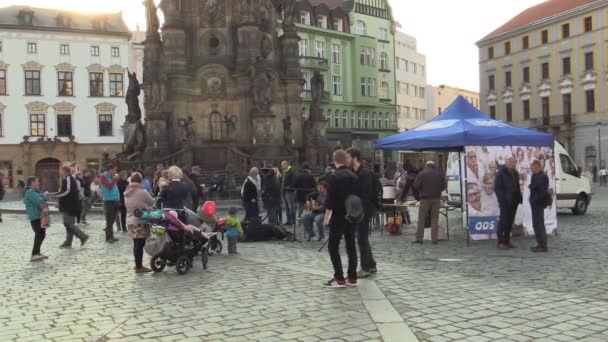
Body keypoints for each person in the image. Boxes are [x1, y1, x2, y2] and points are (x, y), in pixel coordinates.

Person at [323, 150, 359, 288]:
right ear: (345, 160)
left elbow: (330, 200)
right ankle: (352, 277)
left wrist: (326, 215)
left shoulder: (333, 177)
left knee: (333, 246)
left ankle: (339, 278)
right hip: (352, 214)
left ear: (334, 160)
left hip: (338, 216)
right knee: (351, 246)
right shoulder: (354, 176)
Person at [346, 147, 378, 278]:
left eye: (347, 157)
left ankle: (365, 268)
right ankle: (371, 264)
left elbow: (366, 195)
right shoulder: (354, 172)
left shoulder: (364, 173)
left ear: (354, 158)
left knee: (361, 239)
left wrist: (359, 212)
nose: (346, 160)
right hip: (359, 209)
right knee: (362, 238)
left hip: (364, 210)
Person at [124, 172, 156, 272]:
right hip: (140, 219)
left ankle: (137, 264)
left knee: (136, 243)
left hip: (130, 219)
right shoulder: (142, 192)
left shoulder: (127, 192)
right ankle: (139, 267)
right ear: (140, 181)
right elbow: (152, 202)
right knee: (140, 244)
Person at [412, 161, 447, 244]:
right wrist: (438, 191)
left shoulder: (421, 174)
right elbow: (444, 186)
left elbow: (415, 186)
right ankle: (434, 239)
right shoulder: (439, 174)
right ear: (434, 166)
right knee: (435, 219)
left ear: (426, 165)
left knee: (421, 219)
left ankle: (419, 238)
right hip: (436, 199)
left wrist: (421, 191)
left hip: (424, 199)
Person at [55, 166, 89, 248]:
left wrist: (58, 195)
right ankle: (68, 241)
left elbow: (68, 190)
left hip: (70, 205)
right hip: (69, 204)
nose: (60, 172)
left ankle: (82, 236)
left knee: (67, 222)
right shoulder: (66, 179)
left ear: (64, 171)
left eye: (61, 171)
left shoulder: (68, 178)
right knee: (69, 223)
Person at [494, 157, 523, 250]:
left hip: (514, 201)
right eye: (510, 162)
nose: (513, 164)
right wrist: (502, 200)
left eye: (514, 162)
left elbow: (517, 187)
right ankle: (500, 242)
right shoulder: (500, 174)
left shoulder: (515, 173)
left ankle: (507, 240)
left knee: (510, 222)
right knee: (503, 221)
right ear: (506, 163)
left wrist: (519, 198)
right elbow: (497, 188)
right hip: (504, 202)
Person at [23, 177, 49, 261]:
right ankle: (34, 254)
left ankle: (37, 252)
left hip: (40, 216)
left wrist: (44, 196)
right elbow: (39, 201)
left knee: (41, 233)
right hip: (35, 216)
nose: (38, 183)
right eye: (37, 182)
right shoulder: (30, 192)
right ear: (31, 183)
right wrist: (45, 196)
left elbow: (41, 198)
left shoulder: (35, 191)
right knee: (39, 234)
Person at [529, 160, 549, 252]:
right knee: (535, 224)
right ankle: (539, 243)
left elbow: (541, 191)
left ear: (537, 166)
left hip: (539, 203)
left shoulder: (543, 176)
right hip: (534, 203)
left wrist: (535, 200)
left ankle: (543, 245)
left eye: (532, 166)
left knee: (539, 224)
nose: (531, 168)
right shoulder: (534, 175)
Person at [100, 164, 121, 243]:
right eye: (114, 170)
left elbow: (115, 188)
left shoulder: (112, 177)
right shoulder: (103, 177)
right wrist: (115, 179)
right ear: (110, 170)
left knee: (112, 220)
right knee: (109, 219)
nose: (115, 172)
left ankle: (110, 235)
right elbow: (109, 186)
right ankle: (109, 237)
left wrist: (118, 199)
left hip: (115, 200)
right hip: (108, 200)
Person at [281, 160, 296, 226]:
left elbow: (294, 182)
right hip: (284, 191)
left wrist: (289, 187)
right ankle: (288, 221)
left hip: (289, 192)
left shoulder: (291, 172)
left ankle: (293, 221)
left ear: (286, 165)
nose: (281, 166)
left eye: (282, 165)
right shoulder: (284, 172)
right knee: (286, 207)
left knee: (291, 207)